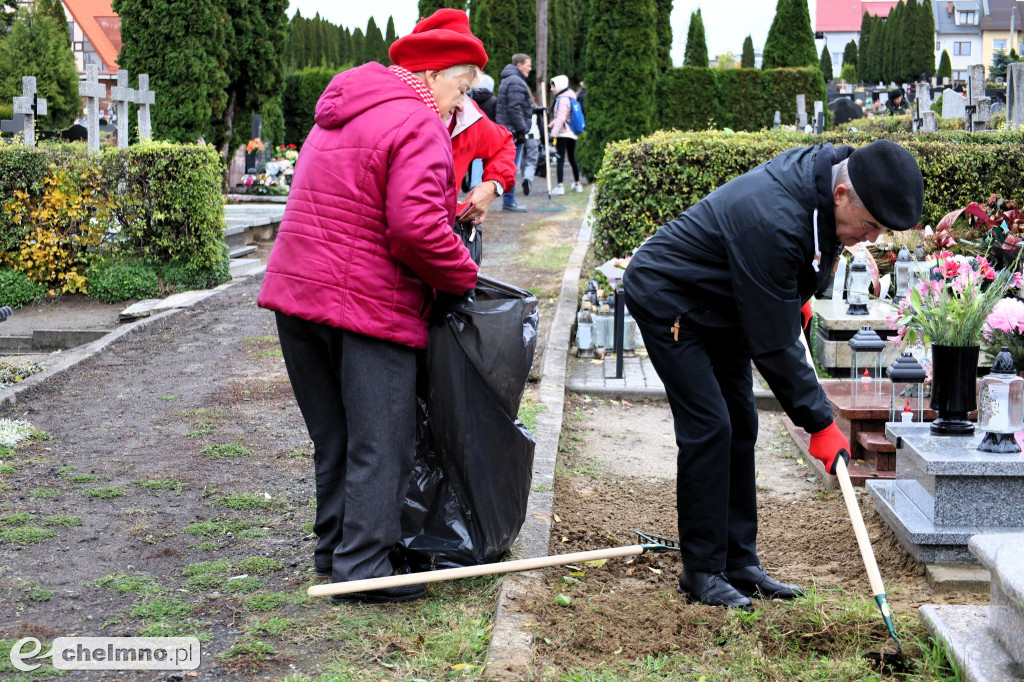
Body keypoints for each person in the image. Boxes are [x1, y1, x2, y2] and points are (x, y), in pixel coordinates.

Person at [622, 140, 924, 609]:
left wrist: (796, 292)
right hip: (672, 298)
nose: (872, 239)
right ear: (842, 195)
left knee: (742, 423)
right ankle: (702, 570)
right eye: (870, 226)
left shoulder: (826, 181)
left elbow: (809, 249)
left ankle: (739, 562)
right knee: (710, 427)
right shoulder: (774, 218)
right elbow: (775, 346)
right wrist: (820, 423)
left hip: (725, 300)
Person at [257, 8, 485, 604]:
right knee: (382, 439)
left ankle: (334, 553)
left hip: (298, 297)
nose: (461, 106)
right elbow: (414, 229)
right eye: (461, 89)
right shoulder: (417, 122)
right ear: (434, 74)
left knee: (335, 436)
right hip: (366, 305)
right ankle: (362, 570)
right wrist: (465, 277)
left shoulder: (344, 108)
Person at [496, 53, 533, 212]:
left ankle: (509, 200)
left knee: (510, 167)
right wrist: (522, 130)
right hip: (513, 133)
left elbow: (517, 105)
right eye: (528, 65)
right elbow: (514, 108)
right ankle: (509, 201)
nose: (530, 69)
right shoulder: (516, 81)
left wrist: (537, 110)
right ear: (519, 65)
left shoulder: (510, 79)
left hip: (509, 130)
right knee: (511, 168)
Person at [547, 75, 582, 195]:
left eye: (553, 86)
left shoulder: (562, 100)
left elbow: (561, 118)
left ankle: (560, 186)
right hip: (572, 133)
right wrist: (550, 126)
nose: (551, 89)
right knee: (572, 158)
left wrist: (553, 134)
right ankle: (577, 184)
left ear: (560, 86)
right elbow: (561, 118)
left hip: (563, 134)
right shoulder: (570, 97)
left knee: (560, 158)